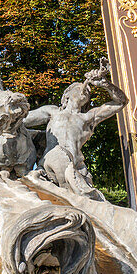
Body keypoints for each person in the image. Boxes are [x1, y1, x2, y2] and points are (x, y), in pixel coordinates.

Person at [24, 58, 127, 198]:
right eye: (78, 88)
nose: (85, 89)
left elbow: (121, 102)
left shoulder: (89, 117)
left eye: (88, 91)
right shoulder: (53, 112)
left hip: (73, 168)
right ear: (66, 96)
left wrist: (105, 84)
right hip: (47, 168)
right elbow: (21, 120)